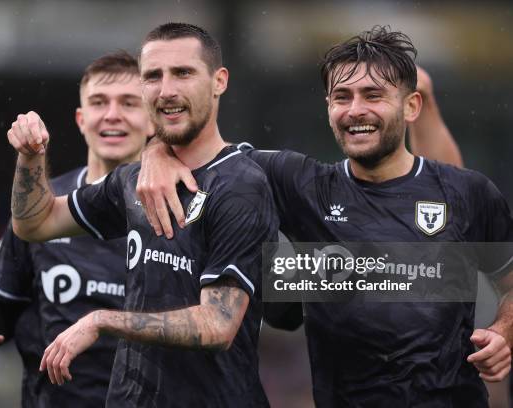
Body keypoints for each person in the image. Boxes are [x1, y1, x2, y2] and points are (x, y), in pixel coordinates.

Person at [136, 26, 513, 407]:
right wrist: (156, 151)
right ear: (328, 107)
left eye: (373, 95)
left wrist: (503, 331)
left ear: (410, 106)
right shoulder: (302, 184)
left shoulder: (470, 192)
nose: (355, 110)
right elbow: (196, 141)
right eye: (341, 97)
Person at [6, 23, 278, 407]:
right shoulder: (132, 179)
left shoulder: (241, 184)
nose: (167, 90)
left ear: (219, 81)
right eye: (153, 76)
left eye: (183, 73)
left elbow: (218, 325)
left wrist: (102, 320)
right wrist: (30, 156)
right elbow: (35, 223)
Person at [0, 51, 153, 407]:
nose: (112, 114)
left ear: (151, 121)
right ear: (81, 119)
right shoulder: (39, 209)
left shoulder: (181, 210)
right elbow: (0, 311)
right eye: (99, 102)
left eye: (129, 103)